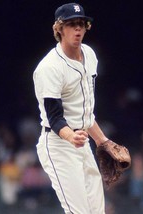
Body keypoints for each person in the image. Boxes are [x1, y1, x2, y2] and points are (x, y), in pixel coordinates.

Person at [33, 3, 109, 213]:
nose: (77, 29)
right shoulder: (50, 67)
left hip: (82, 141)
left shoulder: (89, 55)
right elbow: (55, 117)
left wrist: (102, 141)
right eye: (71, 24)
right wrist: (70, 137)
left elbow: (84, 112)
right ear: (60, 29)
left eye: (81, 24)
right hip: (58, 144)